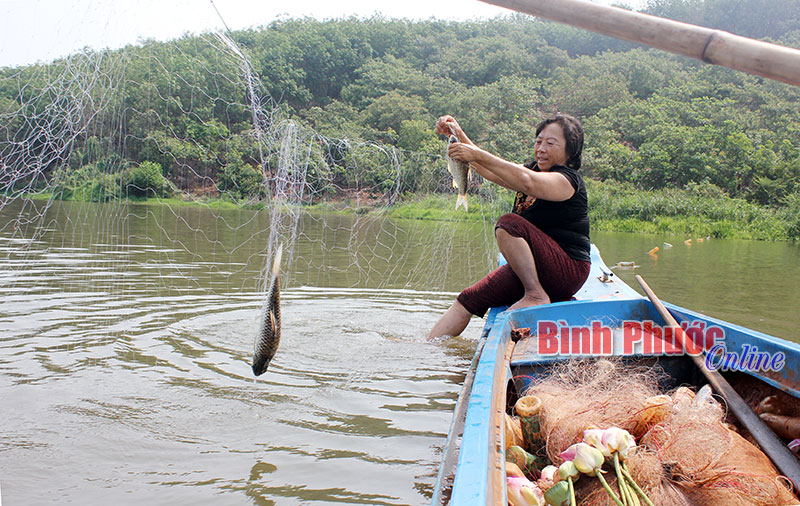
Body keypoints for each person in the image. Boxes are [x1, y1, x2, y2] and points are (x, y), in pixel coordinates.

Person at [427, 113, 591, 340]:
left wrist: (476, 154)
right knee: (467, 299)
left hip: (567, 270)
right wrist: (457, 133)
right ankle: (426, 347)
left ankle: (535, 295)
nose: (541, 148)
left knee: (509, 223)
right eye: (538, 141)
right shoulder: (531, 170)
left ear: (570, 151)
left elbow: (528, 181)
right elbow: (489, 169)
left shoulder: (567, 180)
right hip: (535, 269)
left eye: (550, 143)